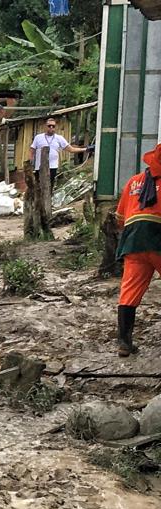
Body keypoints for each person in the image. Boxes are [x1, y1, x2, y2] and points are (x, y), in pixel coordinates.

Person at [113, 141, 161, 356]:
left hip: (132, 242)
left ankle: (124, 342)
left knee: (129, 291)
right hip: (157, 238)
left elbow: (120, 219)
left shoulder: (133, 181)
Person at [29, 117, 87, 191]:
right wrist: (30, 162)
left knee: (49, 187)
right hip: (39, 167)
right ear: (45, 126)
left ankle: (49, 201)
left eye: (53, 126)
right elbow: (32, 149)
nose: (51, 127)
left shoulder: (59, 138)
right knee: (38, 188)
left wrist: (85, 149)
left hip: (52, 167)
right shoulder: (38, 137)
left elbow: (71, 149)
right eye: (49, 126)